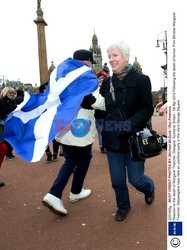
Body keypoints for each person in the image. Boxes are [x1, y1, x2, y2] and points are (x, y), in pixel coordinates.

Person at [42, 49, 105, 215]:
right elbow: (99, 103)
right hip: (80, 129)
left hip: (63, 128)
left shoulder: (62, 79)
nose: (91, 65)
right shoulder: (85, 78)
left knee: (77, 158)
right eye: (90, 62)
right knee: (76, 159)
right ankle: (55, 193)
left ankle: (76, 191)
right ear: (87, 62)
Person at [100, 41, 155, 222]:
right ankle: (123, 206)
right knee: (117, 181)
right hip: (113, 138)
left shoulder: (142, 80)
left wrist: (128, 125)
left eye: (115, 55)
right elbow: (104, 108)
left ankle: (149, 188)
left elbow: (147, 109)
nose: (111, 60)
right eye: (109, 56)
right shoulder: (107, 82)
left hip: (133, 138)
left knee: (136, 180)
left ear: (126, 56)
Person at [39, 82, 62, 163]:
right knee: (44, 139)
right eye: (44, 88)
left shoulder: (56, 98)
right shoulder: (39, 99)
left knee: (55, 138)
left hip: (55, 120)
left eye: (47, 88)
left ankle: (55, 153)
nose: (46, 90)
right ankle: (48, 155)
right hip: (43, 121)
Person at [0, 87, 17, 161]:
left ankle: (10, 153)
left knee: (13, 138)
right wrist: (15, 107)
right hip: (4, 123)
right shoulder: (2, 101)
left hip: (11, 122)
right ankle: (8, 154)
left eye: (13, 93)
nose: (12, 94)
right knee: (7, 139)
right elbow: (4, 111)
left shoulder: (12, 101)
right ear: (5, 92)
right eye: (10, 93)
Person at [95, 70, 108, 153]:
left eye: (102, 78)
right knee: (100, 130)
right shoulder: (95, 88)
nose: (100, 79)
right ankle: (102, 146)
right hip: (98, 113)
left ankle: (105, 145)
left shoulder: (107, 88)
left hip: (106, 113)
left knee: (106, 130)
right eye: (99, 78)